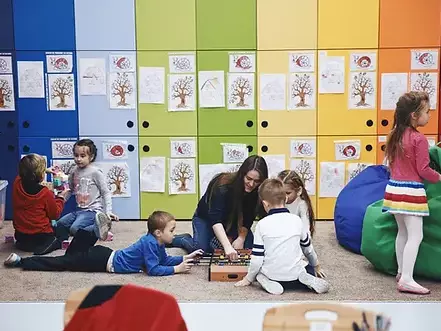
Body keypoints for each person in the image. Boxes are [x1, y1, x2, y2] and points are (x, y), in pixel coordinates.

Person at [4, 211, 202, 277]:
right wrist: (177, 269)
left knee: (67, 258)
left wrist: (185, 257)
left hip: (104, 253)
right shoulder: (151, 244)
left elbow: (164, 260)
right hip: (101, 261)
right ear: (159, 233)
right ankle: (22, 262)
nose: (174, 234)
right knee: (60, 264)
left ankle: (91, 233)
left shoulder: (154, 242)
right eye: (172, 230)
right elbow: (153, 269)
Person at [382, 91, 441, 295]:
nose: (430, 115)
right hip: (411, 192)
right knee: (416, 235)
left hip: (394, 189)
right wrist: (439, 177)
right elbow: (423, 170)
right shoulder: (419, 139)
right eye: (427, 111)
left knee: (403, 232)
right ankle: (407, 279)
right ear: (414, 116)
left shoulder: (395, 134)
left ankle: (401, 272)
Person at [234, 178, 329, 295]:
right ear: (286, 198)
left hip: (273, 276)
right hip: (295, 276)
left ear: (265, 204)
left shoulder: (262, 224)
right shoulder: (296, 221)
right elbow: (308, 249)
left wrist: (248, 279)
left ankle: (265, 279)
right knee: (306, 267)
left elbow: (257, 259)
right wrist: (316, 266)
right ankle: (305, 276)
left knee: (258, 273)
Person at [171, 155, 268, 260]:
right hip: (207, 219)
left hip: (234, 221)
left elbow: (249, 217)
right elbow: (215, 219)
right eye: (248, 179)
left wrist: (241, 238)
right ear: (241, 174)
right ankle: (180, 239)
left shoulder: (258, 191)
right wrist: (227, 246)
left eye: (256, 181)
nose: (251, 184)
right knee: (202, 249)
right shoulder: (222, 185)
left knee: (248, 248)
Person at [54, 139, 118, 246]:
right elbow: (70, 189)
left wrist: (108, 212)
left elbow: (105, 192)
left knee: (75, 229)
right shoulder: (74, 171)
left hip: (93, 211)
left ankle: (102, 228)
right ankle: (66, 241)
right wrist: (60, 200)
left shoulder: (95, 172)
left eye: (82, 156)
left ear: (91, 157)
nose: (78, 159)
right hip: (78, 211)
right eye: (76, 155)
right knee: (60, 224)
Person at [12, 153, 72, 255]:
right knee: (62, 230)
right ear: (40, 175)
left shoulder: (17, 182)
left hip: (20, 236)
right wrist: (61, 198)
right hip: (41, 237)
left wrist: (46, 170)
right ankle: (50, 245)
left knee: (28, 237)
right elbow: (55, 214)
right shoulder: (44, 193)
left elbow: (27, 171)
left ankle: (25, 245)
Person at [277, 170, 316, 237]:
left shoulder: (302, 205)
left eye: (288, 193)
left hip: (296, 239)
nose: (284, 197)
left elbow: (305, 228)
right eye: (281, 193)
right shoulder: (278, 201)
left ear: (298, 191)